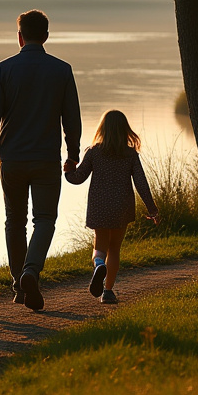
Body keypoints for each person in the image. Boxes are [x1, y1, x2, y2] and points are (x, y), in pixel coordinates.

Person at [0, 8, 82, 313]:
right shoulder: (62, 70)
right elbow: (71, 118)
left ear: (19, 36)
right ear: (46, 36)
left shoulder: (3, 69)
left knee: (15, 220)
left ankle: (19, 284)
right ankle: (31, 272)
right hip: (46, 158)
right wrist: (73, 154)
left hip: (11, 158)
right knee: (45, 219)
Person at [64, 109, 159, 304]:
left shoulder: (94, 152)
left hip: (99, 206)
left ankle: (99, 264)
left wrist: (68, 171)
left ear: (103, 129)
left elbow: (78, 178)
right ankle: (107, 291)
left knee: (100, 245)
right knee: (114, 248)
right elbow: (141, 183)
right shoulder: (130, 154)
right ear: (125, 130)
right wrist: (152, 209)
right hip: (122, 207)